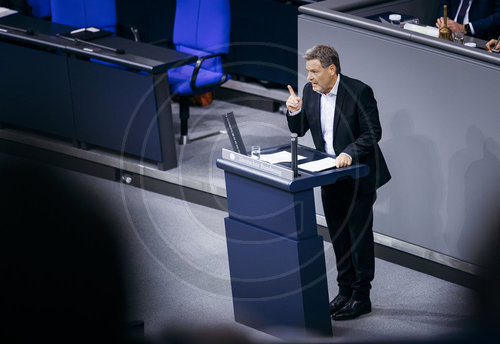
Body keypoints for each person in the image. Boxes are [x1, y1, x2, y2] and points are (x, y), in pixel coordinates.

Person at [285, 45, 391, 321]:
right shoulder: (309, 92)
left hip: (358, 175)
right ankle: (344, 290)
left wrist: (348, 153)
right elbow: (299, 130)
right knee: (339, 235)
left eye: (314, 71)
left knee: (358, 236)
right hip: (329, 176)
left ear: (331, 70)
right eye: (307, 71)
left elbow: (372, 133)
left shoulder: (359, 92)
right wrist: (294, 112)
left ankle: (361, 296)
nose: (308, 77)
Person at [435, 0, 500, 40]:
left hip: (479, 40)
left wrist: (464, 28)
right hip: (448, 35)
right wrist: (444, 20)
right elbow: (444, 3)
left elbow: (498, 17)